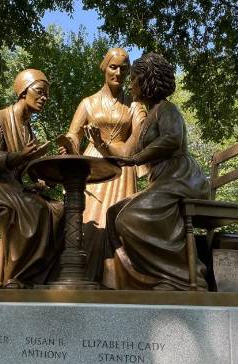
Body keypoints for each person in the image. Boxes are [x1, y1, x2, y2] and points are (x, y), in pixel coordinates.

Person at [98, 53, 210, 290]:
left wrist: (139, 158)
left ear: (147, 81)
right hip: (164, 182)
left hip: (181, 179)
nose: (130, 83)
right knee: (113, 213)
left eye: (135, 78)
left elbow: (172, 139)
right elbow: (127, 152)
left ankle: (181, 277)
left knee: (130, 218)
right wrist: (100, 144)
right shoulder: (147, 118)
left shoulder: (167, 110)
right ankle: (129, 280)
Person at [0, 69, 63, 289]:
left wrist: (51, 174)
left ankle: (32, 275)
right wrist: (20, 156)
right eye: (39, 91)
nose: (44, 97)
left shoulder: (29, 133)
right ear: (23, 91)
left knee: (57, 210)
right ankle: (11, 277)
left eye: (47, 93)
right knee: (31, 206)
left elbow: (32, 171)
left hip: (10, 188)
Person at [60, 48, 146, 284]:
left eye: (123, 68)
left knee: (119, 222)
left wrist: (109, 144)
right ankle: (83, 277)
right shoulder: (87, 103)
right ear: (104, 68)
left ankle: (114, 280)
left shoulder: (135, 105)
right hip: (93, 166)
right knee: (88, 221)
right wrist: (68, 144)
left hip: (121, 168)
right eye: (113, 66)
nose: (118, 72)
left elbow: (138, 140)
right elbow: (73, 135)